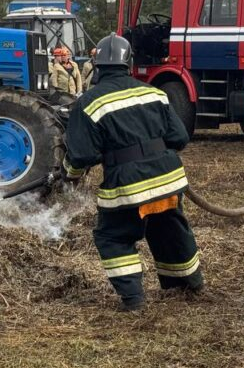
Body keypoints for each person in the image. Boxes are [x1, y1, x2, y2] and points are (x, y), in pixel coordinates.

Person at [61, 32, 203, 311]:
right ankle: (189, 284)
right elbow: (180, 138)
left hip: (127, 184)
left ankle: (133, 298)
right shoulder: (155, 93)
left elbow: (82, 155)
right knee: (169, 227)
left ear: (98, 67)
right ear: (129, 64)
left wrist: (69, 173)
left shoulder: (88, 103)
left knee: (113, 236)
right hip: (168, 179)